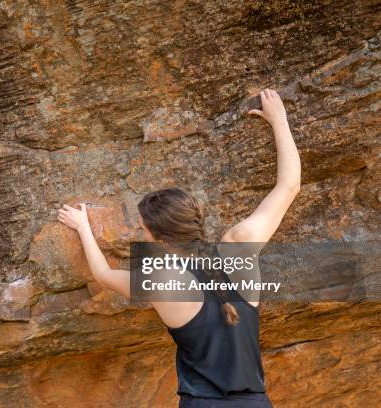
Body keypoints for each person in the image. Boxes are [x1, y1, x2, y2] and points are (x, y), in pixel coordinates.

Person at [58, 89, 301, 407]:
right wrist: (279, 120)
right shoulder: (239, 245)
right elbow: (289, 186)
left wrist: (82, 227)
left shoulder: (163, 279)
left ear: (157, 237)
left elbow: (104, 275)